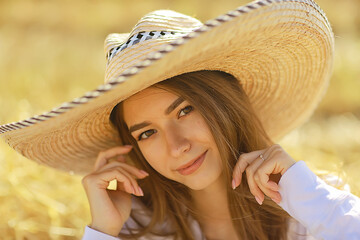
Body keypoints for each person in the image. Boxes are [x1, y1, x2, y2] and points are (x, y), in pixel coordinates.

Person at [0, 0, 359, 239]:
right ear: (131, 148)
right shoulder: (142, 227)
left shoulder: (308, 205)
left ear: (224, 105)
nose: (176, 146)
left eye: (185, 110)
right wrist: (103, 231)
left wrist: (309, 195)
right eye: (147, 133)